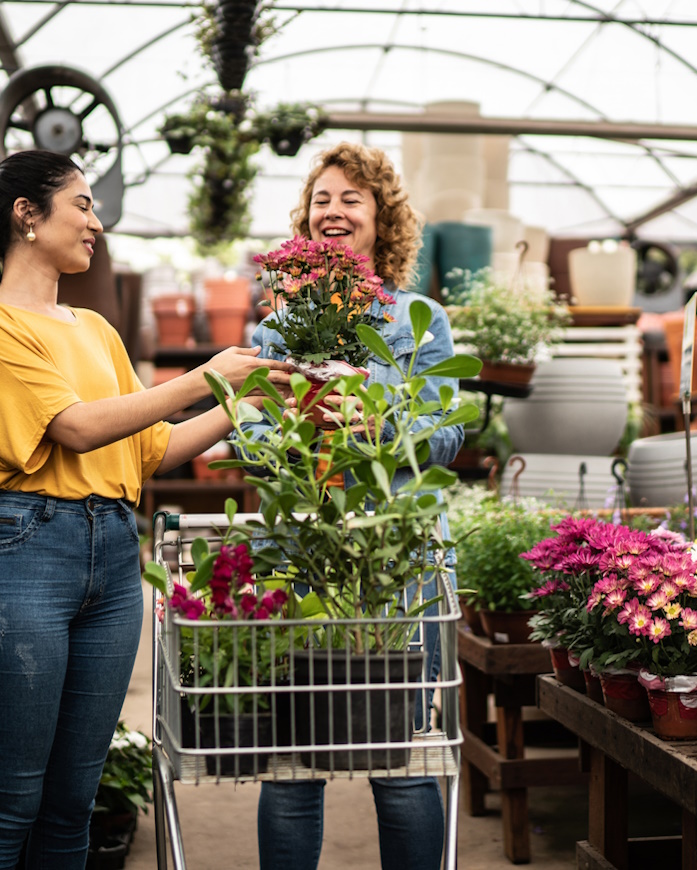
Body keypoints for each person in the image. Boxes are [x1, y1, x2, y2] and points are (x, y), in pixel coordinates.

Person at [0, 149, 292, 869]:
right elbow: (73, 426)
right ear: (26, 216)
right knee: (7, 803)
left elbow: (151, 450)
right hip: (19, 558)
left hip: (110, 559)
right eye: (83, 205)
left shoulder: (95, 330)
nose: (96, 223)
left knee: (73, 806)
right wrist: (204, 376)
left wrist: (245, 402)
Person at [247, 141, 463, 870]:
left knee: (396, 758)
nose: (333, 212)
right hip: (302, 553)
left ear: (382, 220)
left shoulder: (419, 316)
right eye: (321, 200)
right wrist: (292, 429)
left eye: (351, 199)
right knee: (291, 765)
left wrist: (374, 421)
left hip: (393, 558)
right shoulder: (277, 326)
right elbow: (248, 433)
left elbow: (447, 433)